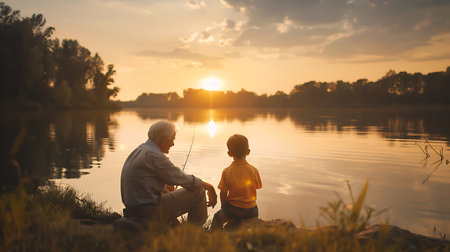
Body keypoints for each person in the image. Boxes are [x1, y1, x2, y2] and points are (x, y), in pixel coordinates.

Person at [120, 120, 217, 226]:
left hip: (134, 209)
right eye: (172, 140)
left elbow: (146, 180)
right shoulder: (155, 155)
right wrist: (209, 187)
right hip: (147, 212)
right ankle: (192, 234)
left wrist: (164, 186)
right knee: (199, 191)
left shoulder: (140, 149)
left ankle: (176, 228)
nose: (173, 144)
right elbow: (184, 179)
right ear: (163, 139)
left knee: (168, 190)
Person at [211, 134, 262, 230]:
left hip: (233, 209)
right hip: (252, 210)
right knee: (254, 211)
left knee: (217, 218)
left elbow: (223, 193)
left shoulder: (227, 171)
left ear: (229, 153)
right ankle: (253, 223)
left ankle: (215, 237)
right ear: (248, 152)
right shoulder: (254, 170)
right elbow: (258, 186)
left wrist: (224, 208)